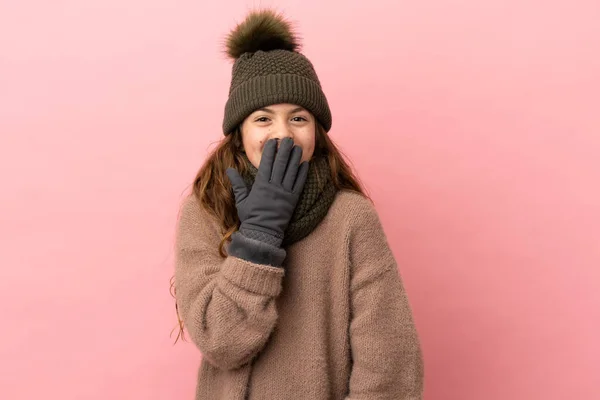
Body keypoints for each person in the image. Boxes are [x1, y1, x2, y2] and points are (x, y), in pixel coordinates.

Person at [172, 8, 424, 400]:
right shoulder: (206, 210)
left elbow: (390, 361)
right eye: (262, 119)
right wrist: (257, 237)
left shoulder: (350, 217)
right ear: (238, 132)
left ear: (317, 131)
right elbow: (219, 341)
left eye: (299, 118)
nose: (281, 135)